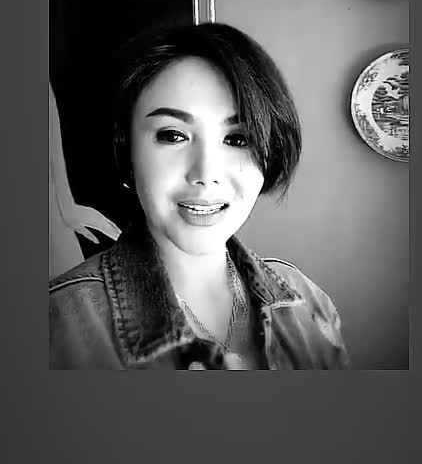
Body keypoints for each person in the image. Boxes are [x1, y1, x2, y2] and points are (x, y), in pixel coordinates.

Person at [49, 22, 349, 369]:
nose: (205, 174)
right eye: (172, 135)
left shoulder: (309, 304)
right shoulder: (57, 328)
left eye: (237, 139)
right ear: (127, 150)